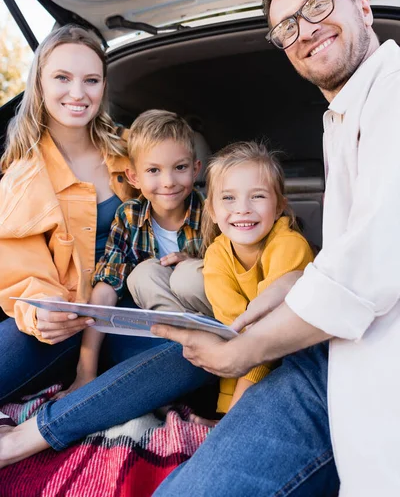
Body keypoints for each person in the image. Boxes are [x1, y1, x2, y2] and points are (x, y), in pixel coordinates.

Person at [152, 0, 400, 496]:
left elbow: (370, 268)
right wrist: (289, 289)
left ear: (363, 6)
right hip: (327, 357)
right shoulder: (340, 121)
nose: (305, 30)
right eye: (287, 27)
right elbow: (346, 257)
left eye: (318, 6)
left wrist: (248, 349)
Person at [0, 25, 211, 467]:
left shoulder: (130, 150)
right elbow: (19, 268)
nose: (78, 92)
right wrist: (41, 309)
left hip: (135, 315)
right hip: (58, 322)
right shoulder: (23, 174)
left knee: (196, 350)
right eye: (62, 78)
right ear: (39, 82)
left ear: (103, 86)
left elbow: (185, 212)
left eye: (91, 80)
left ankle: (28, 436)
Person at [56, 108, 211, 399]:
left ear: (196, 168)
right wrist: (85, 371)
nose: (168, 182)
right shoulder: (129, 216)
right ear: (133, 176)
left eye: (180, 167)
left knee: (188, 275)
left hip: (211, 319)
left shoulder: (211, 213)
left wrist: (200, 263)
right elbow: (106, 289)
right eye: (153, 170)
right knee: (142, 277)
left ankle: (197, 366)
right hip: (159, 327)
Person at [190, 140, 314, 425]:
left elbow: (268, 332)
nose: (242, 209)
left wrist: (232, 417)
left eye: (257, 196)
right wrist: (225, 411)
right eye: (229, 198)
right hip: (245, 360)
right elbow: (234, 328)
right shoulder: (217, 254)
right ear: (210, 209)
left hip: (292, 354)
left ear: (280, 204)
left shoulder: (290, 246)